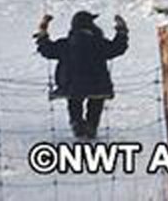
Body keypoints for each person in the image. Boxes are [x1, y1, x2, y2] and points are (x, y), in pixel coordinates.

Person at [34, 11, 128, 139]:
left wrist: (43, 30)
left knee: (74, 101)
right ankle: (92, 125)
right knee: (96, 101)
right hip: (98, 85)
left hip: (70, 86)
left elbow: (46, 49)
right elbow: (118, 48)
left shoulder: (65, 44)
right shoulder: (99, 43)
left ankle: (76, 122)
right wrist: (121, 30)